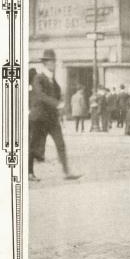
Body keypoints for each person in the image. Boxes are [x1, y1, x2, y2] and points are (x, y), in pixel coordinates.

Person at [28, 49, 80, 181]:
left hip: (51, 119)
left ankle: (67, 172)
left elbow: (57, 94)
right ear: (45, 63)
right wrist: (56, 103)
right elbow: (40, 96)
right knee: (34, 145)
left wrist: (60, 102)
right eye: (51, 62)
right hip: (39, 117)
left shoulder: (53, 79)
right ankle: (29, 173)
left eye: (54, 61)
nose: (54, 64)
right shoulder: (39, 77)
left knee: (60, 143)